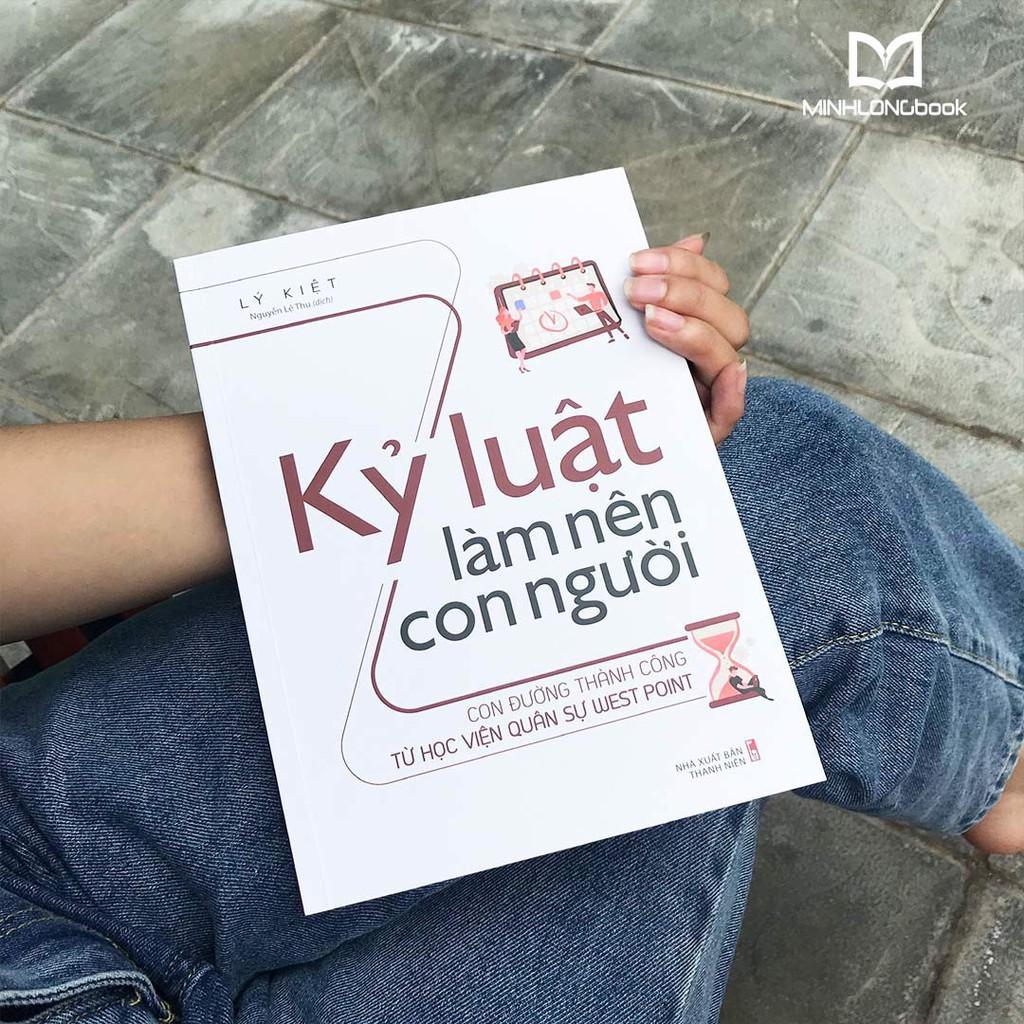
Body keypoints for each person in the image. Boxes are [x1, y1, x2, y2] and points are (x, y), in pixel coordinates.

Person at [1, 233, 1021, 1024]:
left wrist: (402, 447)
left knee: (736, 506)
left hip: (29, 846)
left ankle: (1000, 756)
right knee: (665, 689)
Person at [496, 304, 529, 373]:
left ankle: (521, 365)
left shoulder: (510, 318)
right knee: (518, 351)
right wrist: (509, 331)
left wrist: (519, 312)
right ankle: (522, 366)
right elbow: (502, 332)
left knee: (523, 349)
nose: (507, 311)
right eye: (506, 311)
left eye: (507, 310)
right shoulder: (503, 321)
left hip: (515, 334)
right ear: (503, 313)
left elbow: (519, 319)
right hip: (510, 336)